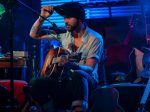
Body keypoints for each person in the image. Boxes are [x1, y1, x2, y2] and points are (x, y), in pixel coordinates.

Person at [29, 2, 104, 112]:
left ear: (80, 18)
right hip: (65, 80)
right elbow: (34, 35)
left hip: (87, 81)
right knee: (36, 82)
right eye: (64, 18)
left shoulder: (95, 38)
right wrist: (42, 18)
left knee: (78, 75)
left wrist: (71, 65)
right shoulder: (64, 33)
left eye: (69, 17)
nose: (65, 21)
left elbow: (90, 68)